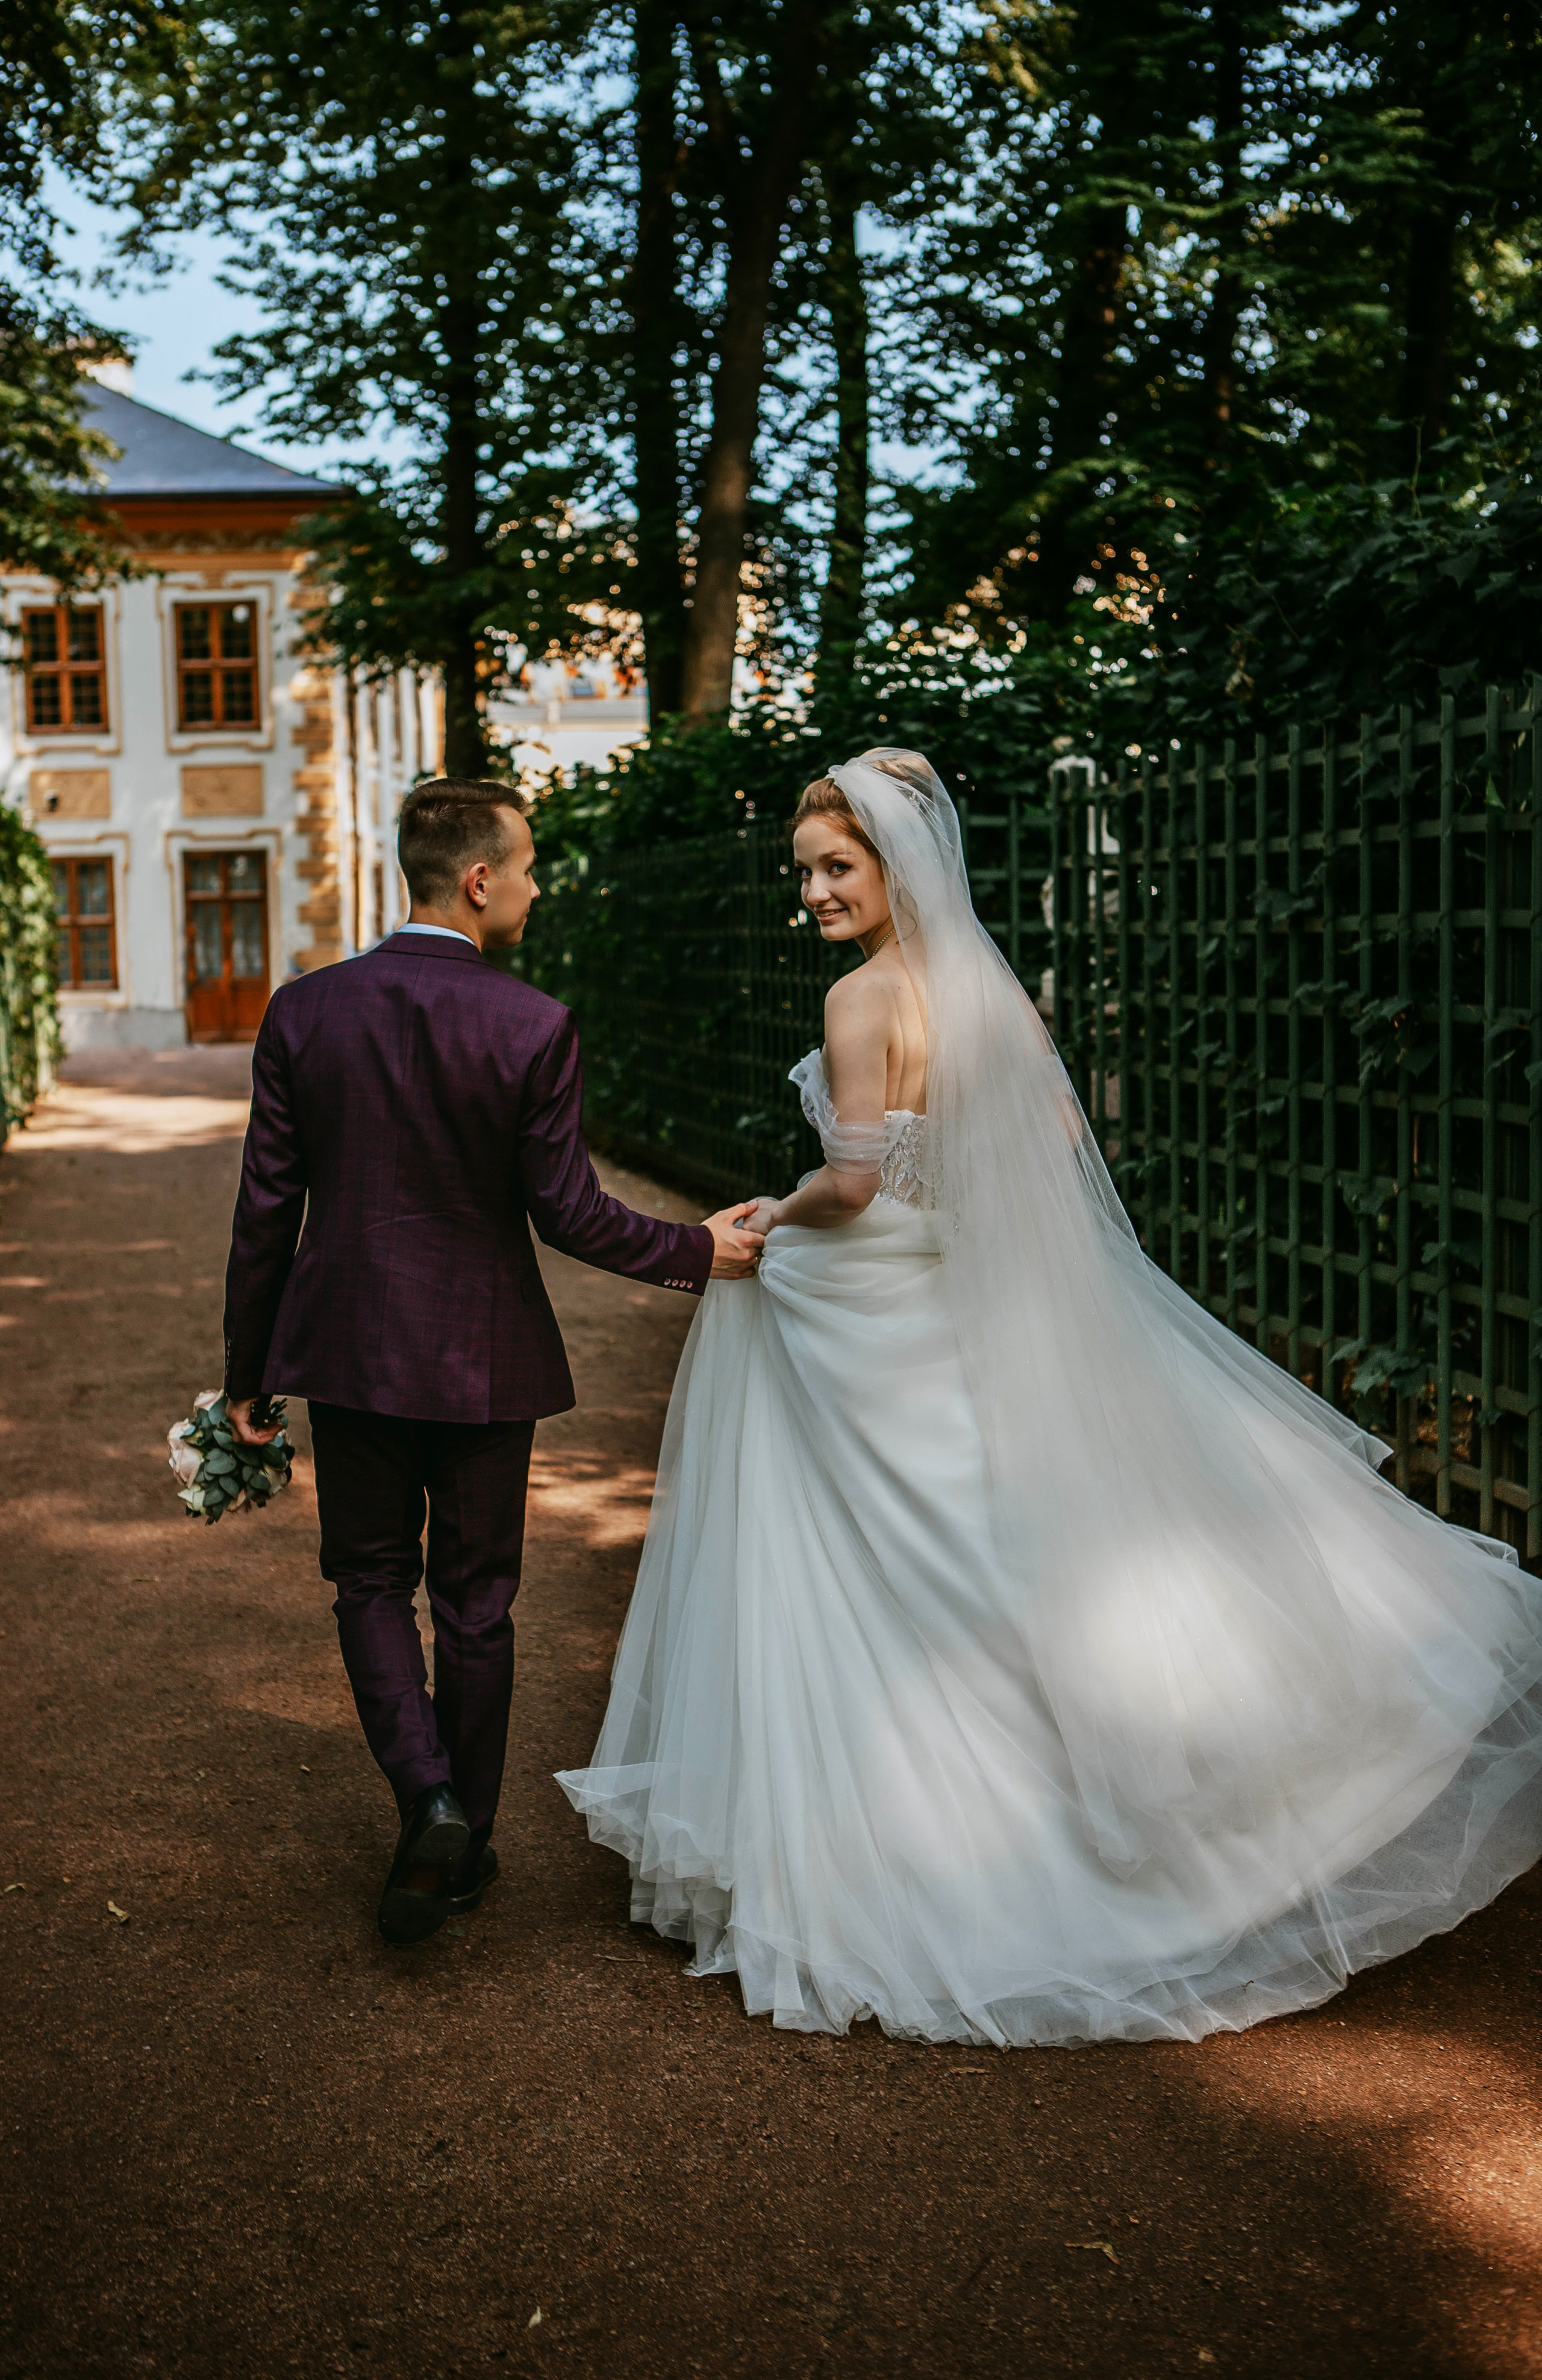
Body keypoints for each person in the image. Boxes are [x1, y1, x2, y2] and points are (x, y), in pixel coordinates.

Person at [558, 748, 1542, 2047]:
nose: (815, 892)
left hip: (872, 1286)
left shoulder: (859, 1000)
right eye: (804, 873)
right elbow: (1063, 1140)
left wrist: (764, 1221)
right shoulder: (987, 988)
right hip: (961, 1282)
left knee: (868, 1542)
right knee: (994, 1534)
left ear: (893, 865)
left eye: (835, 867)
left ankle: (907, 1837)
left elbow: (851, 1184)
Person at [222, 777, 764, 1945]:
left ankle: (427, 1799)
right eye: (524, 868)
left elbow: (266, 1208)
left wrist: (246, 1376)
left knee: (370, 1582)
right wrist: (697, 1249)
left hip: (349, 1354)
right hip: (482, 1357)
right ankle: (461, 1844)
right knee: (478, 1605)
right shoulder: (532, 1024)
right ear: (478, 881)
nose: (532, 887)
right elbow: (567, 1211)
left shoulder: (304, 1011)